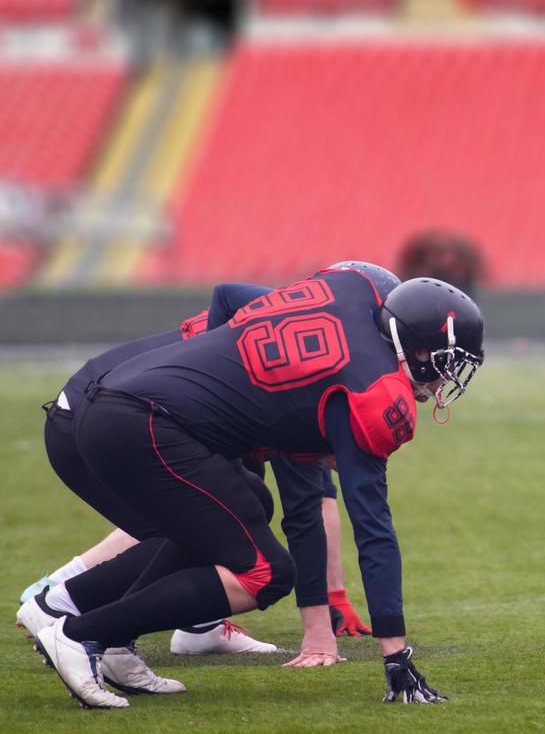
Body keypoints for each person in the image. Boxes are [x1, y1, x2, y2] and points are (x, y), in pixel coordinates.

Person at [25, 270, 482, 708]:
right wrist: (395, 653)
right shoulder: (372, 388)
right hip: (142, 422)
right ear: (418, 350)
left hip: (122, 402)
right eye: (448, 361)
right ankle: (78, 633)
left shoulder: (345, 299)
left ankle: (110, 640)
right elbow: (373, 528)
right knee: (266, 572)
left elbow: (228, 296)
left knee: (248, 503)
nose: (448, 377)